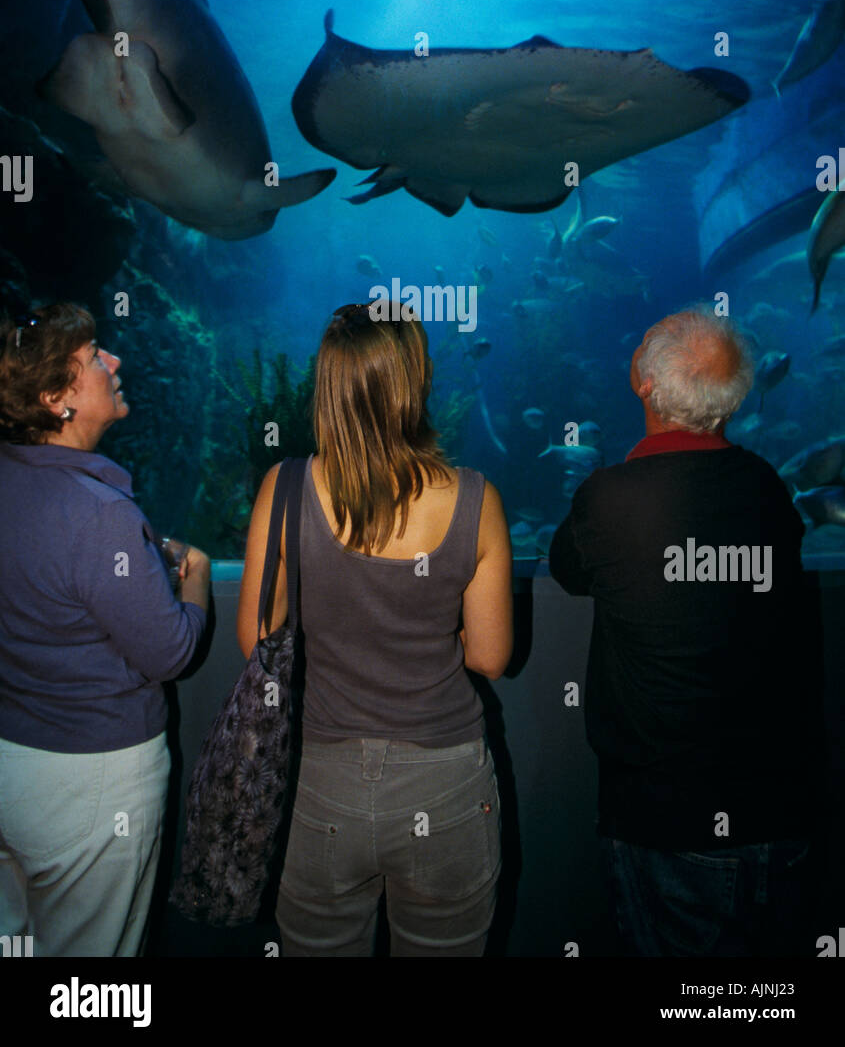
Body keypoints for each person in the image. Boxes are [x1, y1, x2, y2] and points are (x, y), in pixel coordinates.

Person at [236, 301, 513, 957]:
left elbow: (255, 638)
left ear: (327, 386)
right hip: (443, 781)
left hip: (318, 781)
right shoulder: (475, 499)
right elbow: (491, 657)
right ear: (413, 382)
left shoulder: (283, 487)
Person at [548, 306, 823, 957]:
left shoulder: (609, 498)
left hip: (667, 820)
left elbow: (568, 569)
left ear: (643, 384)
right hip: (781, 810)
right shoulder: (763, 487)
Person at [0, 303, 210, 956]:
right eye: (93, 359)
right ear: (58, 399)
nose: (113, 362)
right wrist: (194, 572)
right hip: (90, 787)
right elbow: (170, 651)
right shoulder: (97, 514)